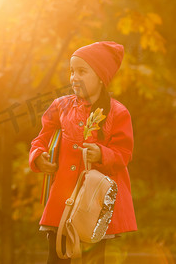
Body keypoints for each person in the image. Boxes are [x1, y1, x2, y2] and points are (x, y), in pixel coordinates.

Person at [29, 41, 137, 263]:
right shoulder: (61, 106)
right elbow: (42, 138)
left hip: (93, 204)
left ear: (100, 76)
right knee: (56, 256)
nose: (74, 77)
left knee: (93, 259)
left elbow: (123, 154)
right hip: (61, 200)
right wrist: (38, 155)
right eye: (72, 71)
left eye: (82, 71)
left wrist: (102, 154)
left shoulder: (118, 113)